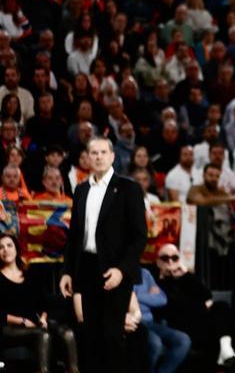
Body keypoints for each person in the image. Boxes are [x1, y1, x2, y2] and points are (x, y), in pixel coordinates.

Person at [59, 137, 148, 373]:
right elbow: (75, 236)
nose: (98, 157)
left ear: (112, 156)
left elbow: (139, 236)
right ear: (87, 158)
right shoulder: (81, 189)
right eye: (93, 153)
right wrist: (67, 271)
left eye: (102, 152)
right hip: (86, 268)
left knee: (112, 337)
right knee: (90, 336)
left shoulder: (128, 188)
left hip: (114, 269)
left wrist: (122, 269)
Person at [0, 234, 80, 373]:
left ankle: (73, 370)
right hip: (10, 327)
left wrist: (43, 318)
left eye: (9, 245)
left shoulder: (29, 274)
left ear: (16, 249)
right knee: (44, 335)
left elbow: (43, 302)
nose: (5, 250)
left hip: (36, 322)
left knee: (67, 334)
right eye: (0, 247)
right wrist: (22, 321)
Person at [155, 243, 235, 368]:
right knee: (216, 324)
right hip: (181, 325)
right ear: (158, 262)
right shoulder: (156, 282)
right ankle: (225, 352)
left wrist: (186, 274)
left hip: (201, 320)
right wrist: (202, 306)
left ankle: (225, 348)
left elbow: (206, 294)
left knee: (221, 306)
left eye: (175, 258)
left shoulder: (186, 278)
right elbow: (170, 307)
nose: (170, 261)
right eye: (165, 258)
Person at [132, 265, 191, 373]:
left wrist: (136, 296)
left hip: (149, 321)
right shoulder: (116, 272)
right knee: (155, 343)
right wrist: (147, 295)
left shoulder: (145, 273)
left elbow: (162, 299)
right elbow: (124, 300)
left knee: (183, 340)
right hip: (130, 321)